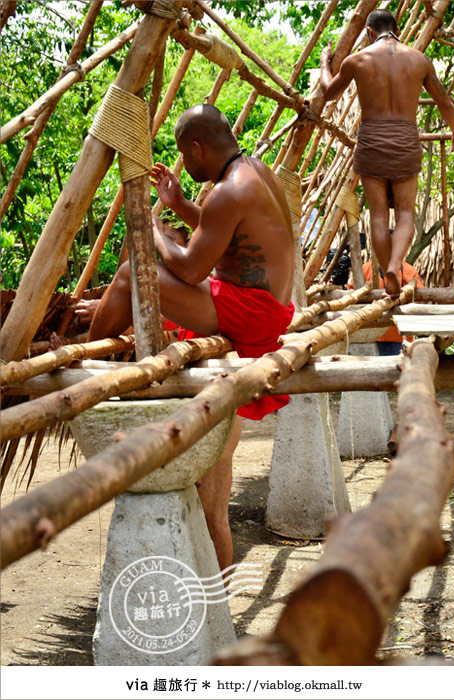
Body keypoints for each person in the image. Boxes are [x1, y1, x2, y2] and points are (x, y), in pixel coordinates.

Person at [87, 104, 295, 570]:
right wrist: (181, 205)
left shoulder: (227, 191)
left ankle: (84, 355)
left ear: (197, 148)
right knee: (144, 283)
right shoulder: (252, 171)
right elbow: (228, 232)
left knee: (129, 276)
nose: (187, 164)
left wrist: (156, 229)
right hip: (259, 306)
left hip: (248, 311)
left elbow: (189, 265)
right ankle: (98, 325)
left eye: (186, 155)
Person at [320, 8, 454, 297]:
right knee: (404, 214)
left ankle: (387, 273)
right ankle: (394, 266)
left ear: (369, 32)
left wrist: (326, 65)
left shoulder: (356, 60)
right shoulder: (418, 59)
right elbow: (445, 103)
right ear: (397, 30)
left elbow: (328, 93)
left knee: (377, 216)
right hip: (404, 140)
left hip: (372, 140)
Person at [348, 255, 424, 354]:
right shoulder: (366, 269)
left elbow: (421, 298)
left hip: (400, 335)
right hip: (370, 335)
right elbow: (352, 294)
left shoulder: (407, 270)